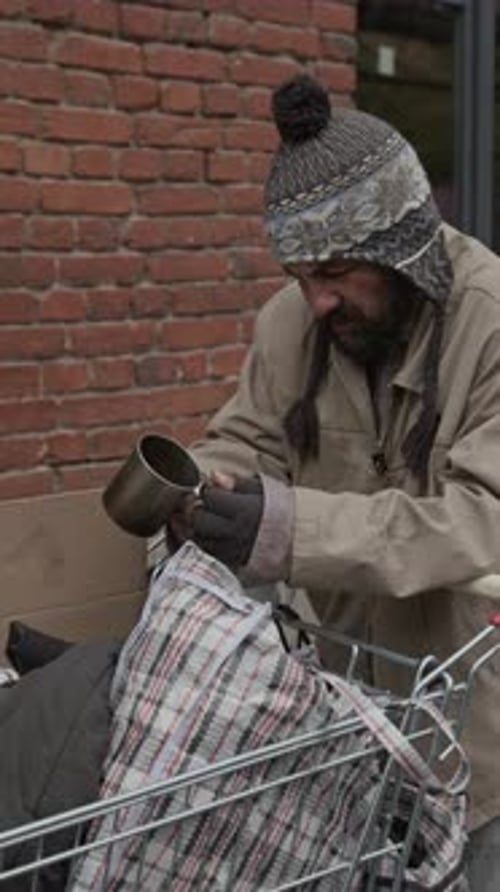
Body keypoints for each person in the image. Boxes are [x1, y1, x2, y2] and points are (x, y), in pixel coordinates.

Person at [169, 74, 500, 889]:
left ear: (405, 248)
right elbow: (245, 439)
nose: (317, 300)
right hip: (341, 720)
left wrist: (288, 531)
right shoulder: (297, 319)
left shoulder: (491, 322)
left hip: (476, 733)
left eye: (340, 272)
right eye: (301, 273)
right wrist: (207, 491)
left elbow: (481, 517)